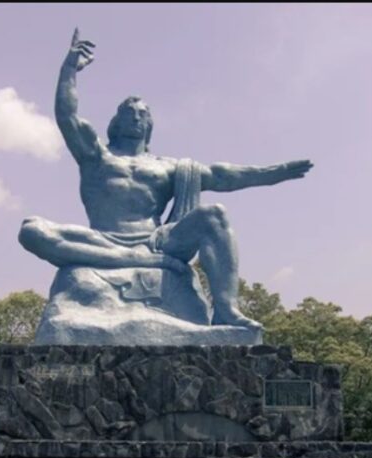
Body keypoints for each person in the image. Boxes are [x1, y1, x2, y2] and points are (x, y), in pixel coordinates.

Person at [19, 29, 313, 328]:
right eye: (129, 112)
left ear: (150, 124)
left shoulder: (168, 167)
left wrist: (271, 174)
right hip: (102, 238)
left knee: (214, 215)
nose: (136, 117)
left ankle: (226, 309)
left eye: (142, 114)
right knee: (31, 230)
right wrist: (69, 69)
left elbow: (222, 176)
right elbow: (67, 117)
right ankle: (133, 259)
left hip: (157, 242)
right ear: (115, 122)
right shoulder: (96, 156)